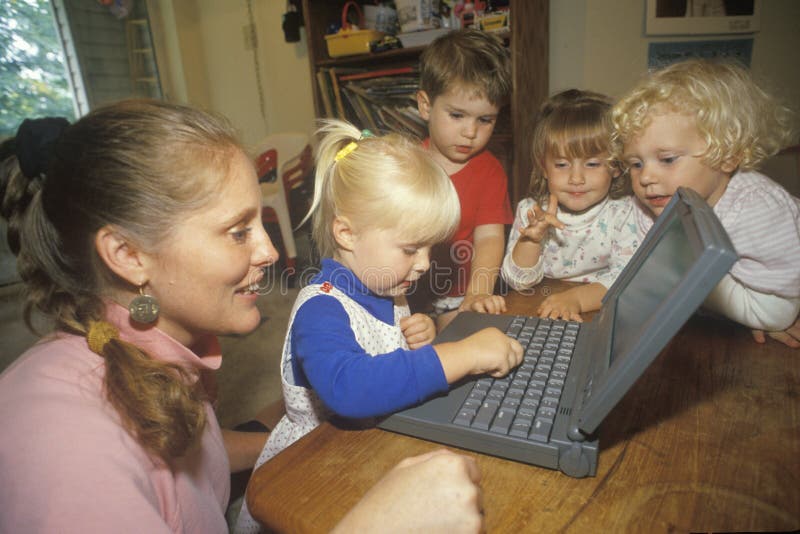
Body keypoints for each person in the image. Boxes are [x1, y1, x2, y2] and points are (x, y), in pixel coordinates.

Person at [0, 101, 495, 533]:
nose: (270, 252)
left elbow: (193, 456)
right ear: (128, 255)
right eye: (238, 232)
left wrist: (297, 441)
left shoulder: (145, 344)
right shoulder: (67, 446)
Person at [234, 119, 523, 533]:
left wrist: (421, 334)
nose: (424, 264)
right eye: (411, 249)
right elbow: (350, 388)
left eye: (429, 248)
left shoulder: (387, 287)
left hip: (366, 444)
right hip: (312, 466)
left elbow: (383, 349)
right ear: (347, 234)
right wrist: (460, 355)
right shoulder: (321, 309)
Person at [611, 58, 800, 348]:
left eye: (667, 159)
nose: (646, 177)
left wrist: (767, 315)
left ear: (727, 156)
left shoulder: (755, 207)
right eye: (636, 164)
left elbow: (778, 310)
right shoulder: (646, 205)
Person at [500, 89, 639, 321]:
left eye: (592, 164)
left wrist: (576, 299)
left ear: (615, 166)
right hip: (539, 309)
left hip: (600, 311)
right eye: (562, 165)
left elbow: (627, 280)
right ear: (544, 168)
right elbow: (518, 282)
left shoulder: (625, 213)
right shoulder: (531, 211)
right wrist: (531, 241)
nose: (576, 178)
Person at [415, 28, 514, 330]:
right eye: (457, 115)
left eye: (485, 120)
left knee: (467, 341)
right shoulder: (405, 164)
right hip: (403, 290)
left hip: (460, 295)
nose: (471, 132)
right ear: (425, 106)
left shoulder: (490, 171)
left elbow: (489, 238)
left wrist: (478, 293)